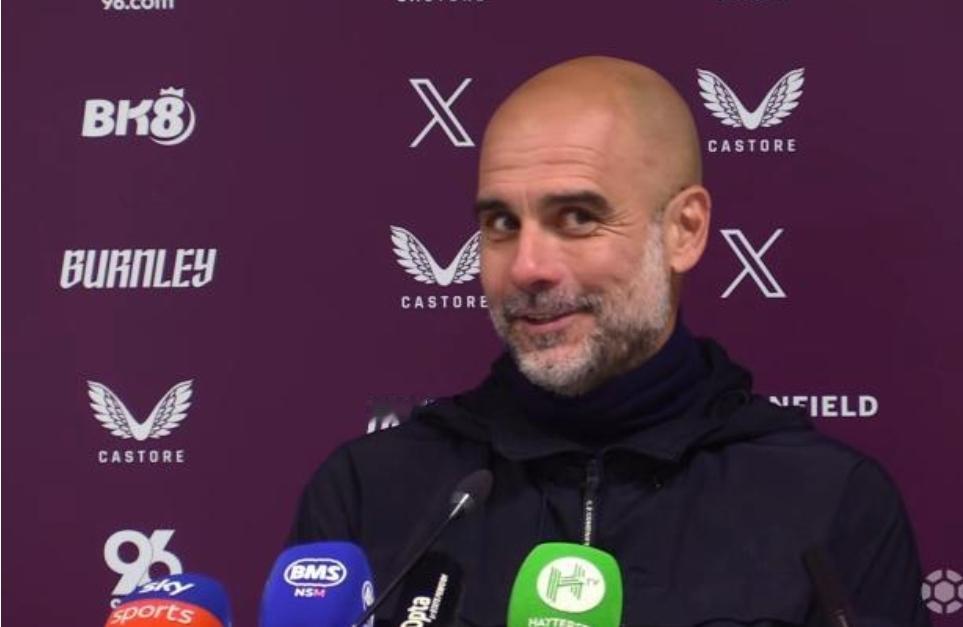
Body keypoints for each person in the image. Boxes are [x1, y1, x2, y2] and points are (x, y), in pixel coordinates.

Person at [289, 57, 928, 626]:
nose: (527, 267)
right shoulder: (368, 493)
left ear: (684, 230)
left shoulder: (830, 502)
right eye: (502, 222)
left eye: (577, 218)